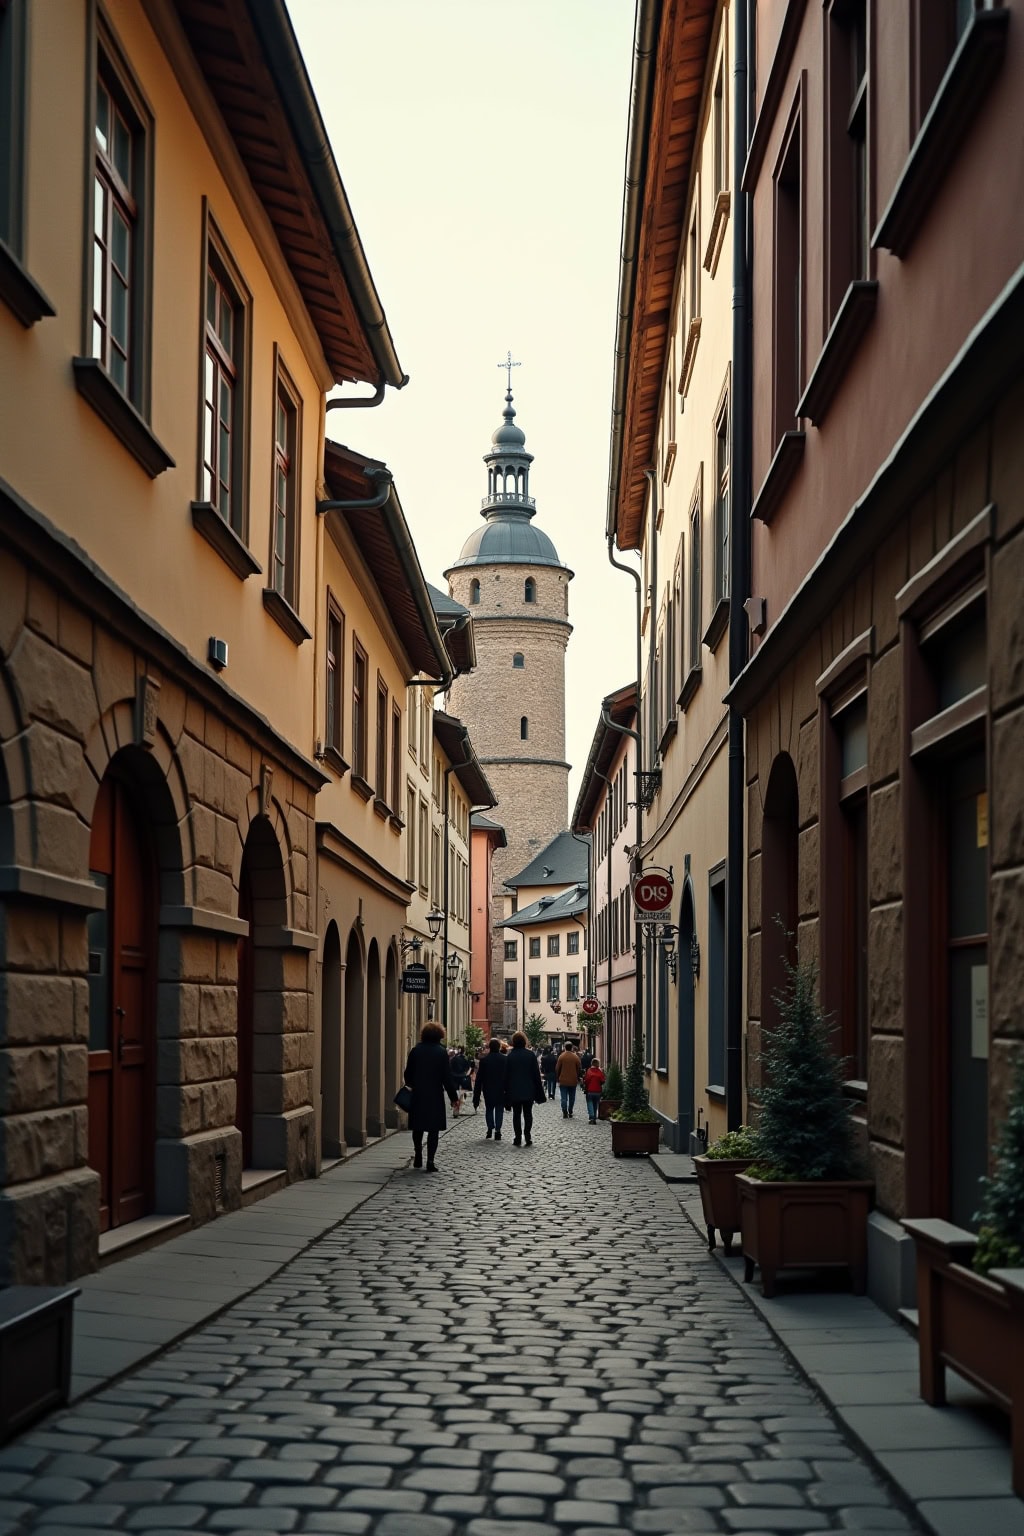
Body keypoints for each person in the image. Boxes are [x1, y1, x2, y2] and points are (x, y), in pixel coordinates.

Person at [403, 1022, 459, 1172]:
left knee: (418, 1127)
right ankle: (430, 1160)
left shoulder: (415, 1051)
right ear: (440, 1035)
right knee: (433, 1129)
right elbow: (447, 1077)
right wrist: (454, 1097)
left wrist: (412, 1084)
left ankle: (418, 1153)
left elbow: (407, 1073)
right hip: (435, 1095)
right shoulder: (441, 1052)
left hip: (418, 1094)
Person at [504, 1030, 545, 1146]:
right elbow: (536, 1075)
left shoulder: (510, 1056)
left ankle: (517, 1137)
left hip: (514, 1090)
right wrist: (539, 1092)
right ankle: (527, 1135)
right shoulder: (530, 1055)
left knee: (516, 1114)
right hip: (528, 1089)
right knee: (528, 1114)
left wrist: (506, 1092)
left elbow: (506, 1075)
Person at [473, 1038, 507, 1140]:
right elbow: (508, 1076)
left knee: (489, 1109)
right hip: (501, 1089)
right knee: (499, 1110)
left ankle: (490, 1128)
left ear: (490, 1047)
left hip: (488, 1088)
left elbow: (479, 1079)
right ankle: (498, 1130)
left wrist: (477, 1095)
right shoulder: (505, 1059)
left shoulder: (484, 1061)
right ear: (499, 1047)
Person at [555, 1040, 583, 1119]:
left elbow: (557, 1068)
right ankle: (570, 1110)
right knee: (572, 1097)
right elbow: (579, 1068)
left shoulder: (561, 1056)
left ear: (564, 1047)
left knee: (563, 1098)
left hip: (563, 1080)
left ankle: (564, 1111)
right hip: (573, 1080)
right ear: (571, 1048)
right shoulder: (575, 1057)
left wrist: (558, 1078)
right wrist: (578, 1077)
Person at [583, 1057, 606, 1123]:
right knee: (595, 1104)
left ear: (592, 1063)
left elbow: (586, 1080)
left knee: (590, 1103)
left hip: (590, 1090)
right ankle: (594, 1117)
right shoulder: (599, 1072)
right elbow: (603, 1080)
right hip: (598, 1091)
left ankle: (592, 1117)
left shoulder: (589, 1071)